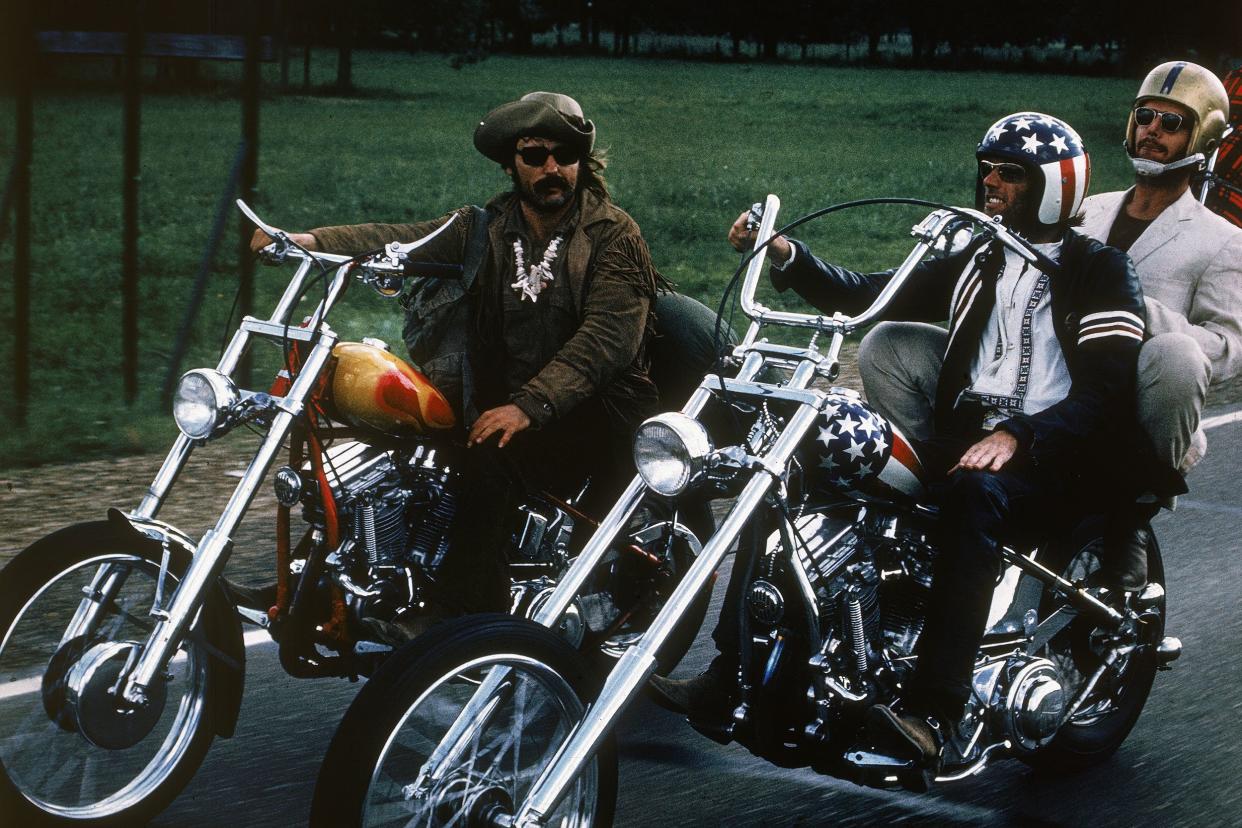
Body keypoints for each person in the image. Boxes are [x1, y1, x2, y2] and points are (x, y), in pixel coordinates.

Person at [651, 111, 1180, 771]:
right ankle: (733, 668)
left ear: (1054, 186)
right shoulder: (982, 258)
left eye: (1010, 174)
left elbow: (1105, 395)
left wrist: (1019, 435)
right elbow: (869, 295)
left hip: (1057, 457)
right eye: (987, 169)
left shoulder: (1100, 271)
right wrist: (785, 256)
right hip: (968, 443)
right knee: (795, 463)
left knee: (974, 494)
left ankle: (934, 711)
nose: (991, 183)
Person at [250, 91, 665, 637]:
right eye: (534, 155)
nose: (551, 168)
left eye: (564, 154)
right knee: (395, 450)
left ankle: (458, 617)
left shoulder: (612, 235)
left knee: (488, 463)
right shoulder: (488, 227)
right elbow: (404, 239)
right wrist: (311, 242)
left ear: (581, 160)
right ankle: (316, 582)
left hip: (597, 407)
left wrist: (527, 407)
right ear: (510, 163)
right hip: (509, 399)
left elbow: (607, 340)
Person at [1076, 61, 1242, 588]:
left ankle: (1132, 515)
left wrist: (1139, 308)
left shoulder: (1222, 239)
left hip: (1138, 401)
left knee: (1180, 353)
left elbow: (1227, 349)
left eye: (1172, 124)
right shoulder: (1082, 212)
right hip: (1054, 383)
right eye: (1145, 116)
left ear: (1201, 137)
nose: (1153, 130)